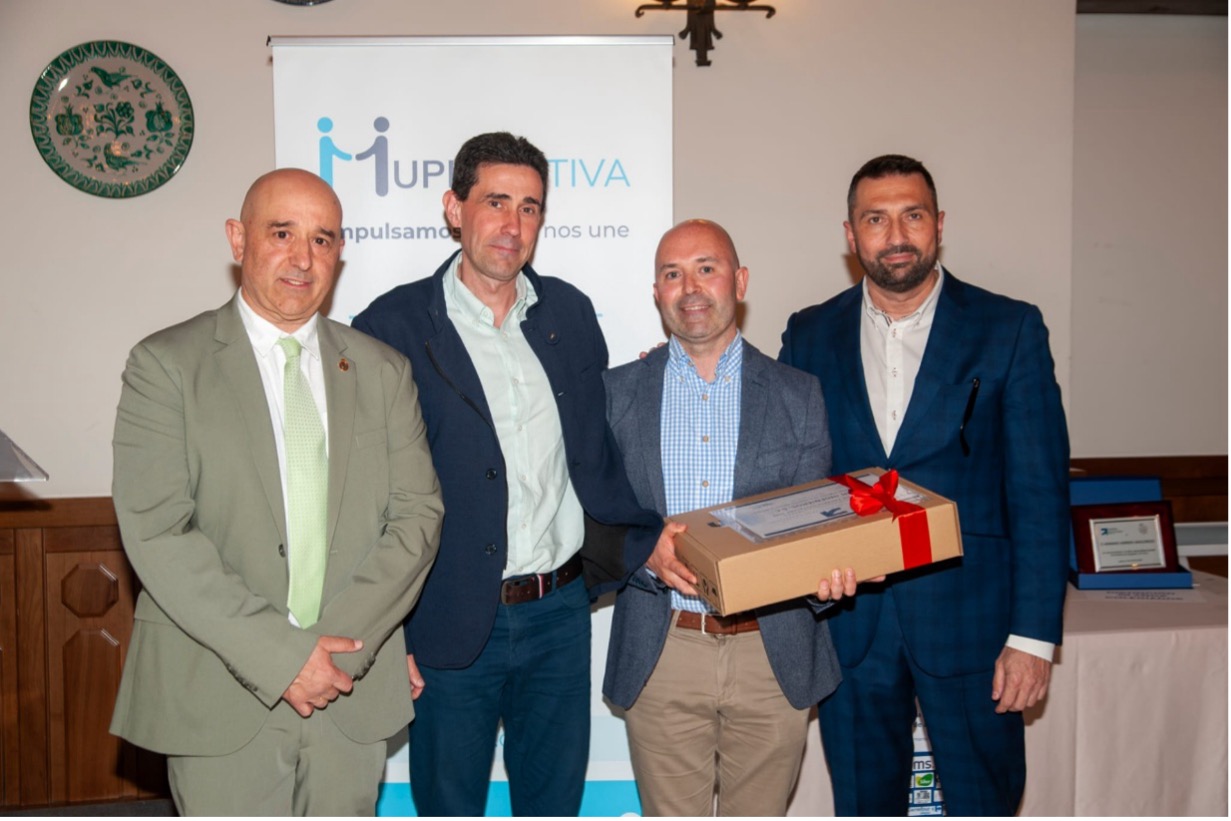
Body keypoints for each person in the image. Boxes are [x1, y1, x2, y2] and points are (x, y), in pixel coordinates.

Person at [351, 132, 669, 817]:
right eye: (496, 202)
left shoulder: (570, 314)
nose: (512, 224)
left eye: (529, 207)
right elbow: (365, 496)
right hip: (446, 618)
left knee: (553, 805)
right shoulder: (391, 326)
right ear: (453, 208)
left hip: (558, 614)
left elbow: (596, 447)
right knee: (449, 805)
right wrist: (387, 632)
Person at [109, 169, 444, 815]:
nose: (303, 258)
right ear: (239, 240)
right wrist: (285, 657)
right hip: (220, 690)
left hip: (348, 685)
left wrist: (330, 654)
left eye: (322, 239)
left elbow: (417, 518)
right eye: (282, 233)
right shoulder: (166, 364)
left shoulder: (383, 370)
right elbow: (158, 530)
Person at [779, 155, 1070, 816]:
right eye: (875, 219)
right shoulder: (809, 333)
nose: (896, 235)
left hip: (975, 625)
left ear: (938, 224)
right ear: (850, 235)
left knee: (984, 802)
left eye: (911, 215)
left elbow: (1039, 494)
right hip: (852, 622)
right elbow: (789, 469)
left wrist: (1032, 639)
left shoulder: (1008, 328)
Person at [603, 219, 860, 816]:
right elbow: (595, 519)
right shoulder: (615, 394)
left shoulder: (799, 395)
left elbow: (814, 526)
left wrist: (828, 575)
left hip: (772, 655)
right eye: (673, 274)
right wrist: (643, 552)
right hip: (662, 650)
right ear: (657, 293)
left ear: (740, 282)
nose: (690, 287)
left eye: (707, 268)